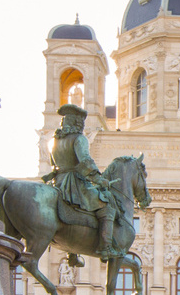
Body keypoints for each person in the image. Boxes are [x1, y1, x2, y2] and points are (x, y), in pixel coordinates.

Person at [43, 105, 123, 260]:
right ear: (78, 123)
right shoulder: (79, 139)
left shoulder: (54, 140)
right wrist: (99, 179)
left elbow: (53, 162)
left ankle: (72, 252)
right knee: (106, 206)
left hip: (57, 182)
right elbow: (85, 161)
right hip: (73, 184)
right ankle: (106, 248)